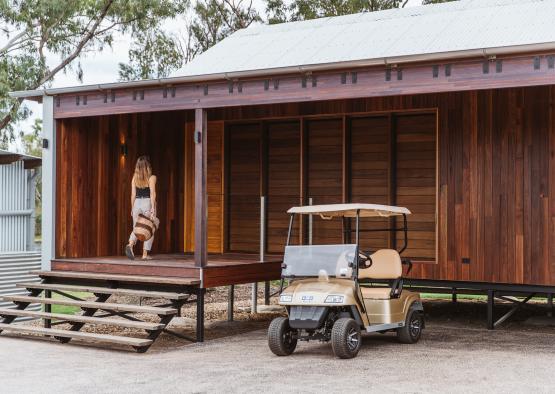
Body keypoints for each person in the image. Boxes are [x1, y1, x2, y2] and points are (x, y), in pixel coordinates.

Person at [125, 156, 157, 260]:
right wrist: (152, 208)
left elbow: (132, 195)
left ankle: (130, 244)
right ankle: (145, 254)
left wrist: (132, 208)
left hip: (137, 203)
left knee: (136, 227)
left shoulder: (134, 178)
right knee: (149, 227)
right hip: (147, 202)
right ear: (148, 166)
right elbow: (152, 193)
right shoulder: (152, 177)